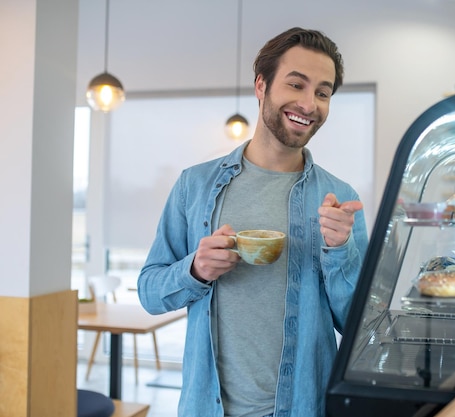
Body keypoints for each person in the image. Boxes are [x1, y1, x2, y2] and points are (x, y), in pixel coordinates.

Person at [137, 27, 369, 417]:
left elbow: (359, 326)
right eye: (296, 84)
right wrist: (195, 269)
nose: (309, 103)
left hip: (302, 408)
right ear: (261, 85)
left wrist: (339, 252)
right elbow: (149, 292)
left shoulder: (339, 201)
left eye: (323, 92)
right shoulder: (194, 186)